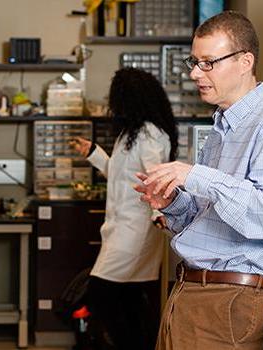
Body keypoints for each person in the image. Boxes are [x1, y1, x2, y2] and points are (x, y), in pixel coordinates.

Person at [133, 11, 263, 350]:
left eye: (208, 63)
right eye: (195, 62)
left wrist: (196, 175)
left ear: (245, 61)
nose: (194, 73)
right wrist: (173, 202)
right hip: (194, 293)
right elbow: (212, 220)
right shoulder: (222, 131)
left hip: (228, 300)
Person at [69, 68, 179, 350]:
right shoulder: (130, 134)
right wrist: (94, 153)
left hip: (137, 231)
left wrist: (158, 216)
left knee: (101, 291)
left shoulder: (150, 134)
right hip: (120, 228)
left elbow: (156, 178)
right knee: (129, 300)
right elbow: (122, 177)